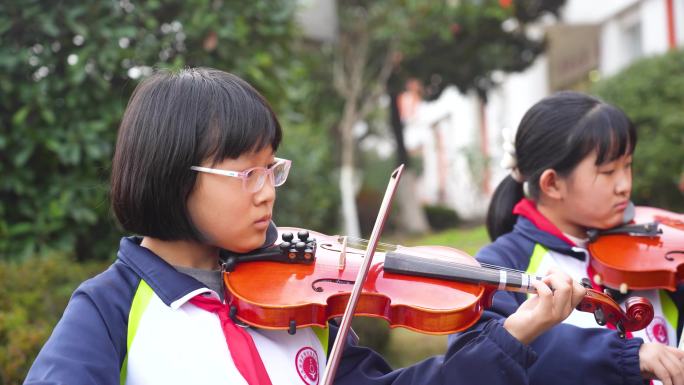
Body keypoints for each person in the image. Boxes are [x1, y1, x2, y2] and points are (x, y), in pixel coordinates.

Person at [24, 68, 585, 385]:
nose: (266, 189)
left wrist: (513, 336)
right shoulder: (110, 309)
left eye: (272, 168)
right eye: (247, 172)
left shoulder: (296, 300)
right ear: (170, 172)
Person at [458, 91, 684, 385]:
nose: (624, 186)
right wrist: (624, 356)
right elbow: (476, 358)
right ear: (552, 184)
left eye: (627, 166)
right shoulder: (501, 264)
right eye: (608, 172)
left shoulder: (656, 247)